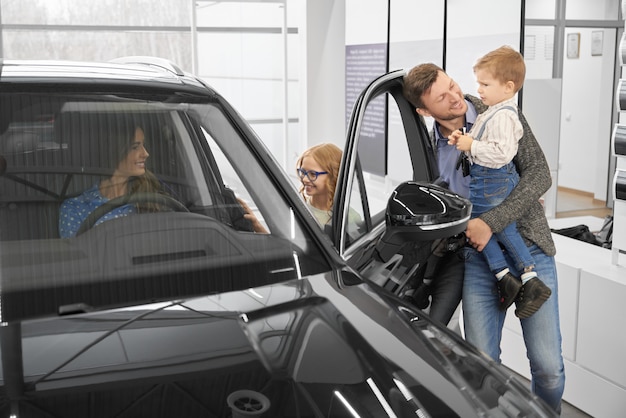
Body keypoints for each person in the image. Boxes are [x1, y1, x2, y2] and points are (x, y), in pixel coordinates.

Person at [403, 59, 565, 414]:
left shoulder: (500, 113)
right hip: (477, 260)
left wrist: (491, 221)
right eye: (441, 98)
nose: (455, 98)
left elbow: (539, 175)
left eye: (453, 86)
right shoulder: (429, 148)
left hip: (531, 250)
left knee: (549, 370)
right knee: (481, 364)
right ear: (423, 110)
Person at [447, 46, 551, 319]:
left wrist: (472, 145)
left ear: (508, 87)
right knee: (488, 228)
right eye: (478, 83)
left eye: (485, 84)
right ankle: (509, 276)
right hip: (487, 181)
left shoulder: (505, 115)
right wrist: (464, 143)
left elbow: (502, 153)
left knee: (495, 227)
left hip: (494, 180)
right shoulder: (493, 110)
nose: (478, 89)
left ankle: (526, 276)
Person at [59, 121, 165, 238]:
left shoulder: (151, 195)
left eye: (143, 145)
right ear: (113, 151)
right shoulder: (76, 207)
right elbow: (76, 254)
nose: (146, 153)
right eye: (135, 147)